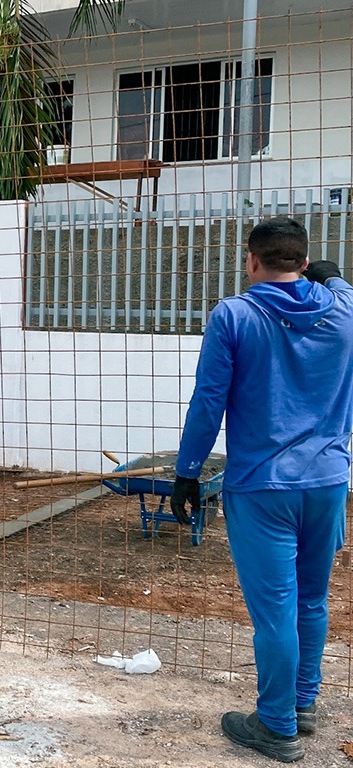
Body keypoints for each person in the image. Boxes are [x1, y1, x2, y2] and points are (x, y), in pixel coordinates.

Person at [171, 217, 353, 762]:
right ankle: (301, 702)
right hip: (327, 483)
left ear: (251, 261)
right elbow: (339, 284)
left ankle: (275, 727)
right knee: (312, 599)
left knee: (275, 610)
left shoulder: (234, 315)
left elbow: (209, 400)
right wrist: (332, 278)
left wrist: (188, 471)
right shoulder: (343, 310)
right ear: (302, 260)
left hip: (260, 487)